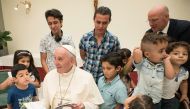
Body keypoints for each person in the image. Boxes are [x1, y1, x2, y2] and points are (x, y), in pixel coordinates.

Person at [147, 4, 190, 98]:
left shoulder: (185, 27)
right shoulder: (149, 33)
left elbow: (184, 55)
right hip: (159, 84)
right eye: (149, 20)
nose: (150, 23)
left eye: (154, 20)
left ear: (166, 17)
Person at [43, 45, 104, 109]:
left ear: (72, 60)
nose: (56, 63)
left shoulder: (86, 77)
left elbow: (96, 105)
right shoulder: (50, 76)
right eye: (55, 58)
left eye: (60, 59)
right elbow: (45, 104)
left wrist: (84, 106)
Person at [132, 33, 175, 109]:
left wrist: (167, 60)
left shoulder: (164, 64)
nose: (165, 54)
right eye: (161, 51)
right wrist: (138, 50)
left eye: (166, 50)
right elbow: (137, 54)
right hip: (139, 100)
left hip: (155, 101)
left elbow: (171, 76)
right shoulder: (142, 63)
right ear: (147, 54)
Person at [79, 6, 120, 83]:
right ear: (94, 20)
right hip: (86, 79)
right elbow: (83, 56)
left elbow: (115, 62)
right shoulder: (85, 38)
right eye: (98, 22)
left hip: (105, 81)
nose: (101, 26)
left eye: (104, 23)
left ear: (109, 21)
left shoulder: (114, 40)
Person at [40, 9, 75, 74]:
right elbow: (43, 60)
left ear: (61, 22)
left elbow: (73, 59)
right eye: (50, 23)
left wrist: (72, 75)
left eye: (55, 22)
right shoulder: (44, 40)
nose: (53, 26)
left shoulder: (68, 38)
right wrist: (49, 75)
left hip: (66, 74)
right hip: (52, 74)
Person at [161, 41, 190, 109]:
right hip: (157, 97)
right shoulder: (161, 67)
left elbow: (184, 81)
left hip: (170, 98)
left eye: (185, 54)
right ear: (167, 55)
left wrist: (184, 94)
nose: (181, 56)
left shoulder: (184, 72)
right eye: (176, 53)